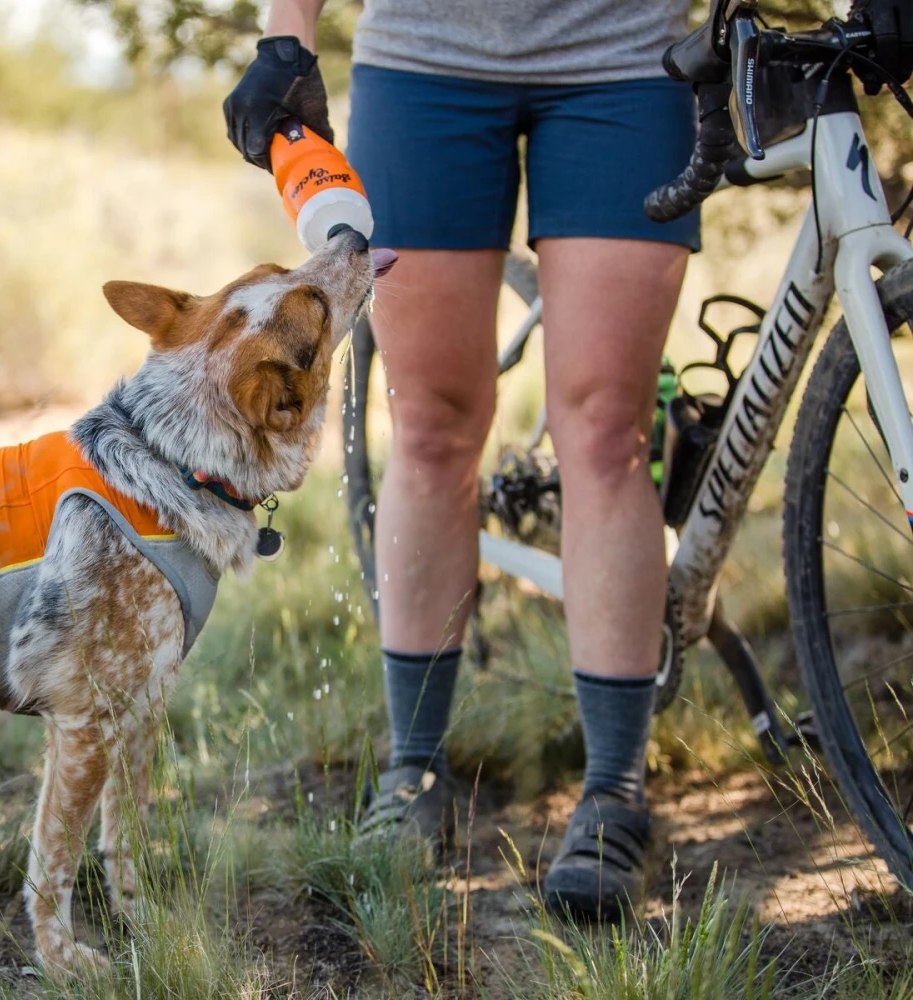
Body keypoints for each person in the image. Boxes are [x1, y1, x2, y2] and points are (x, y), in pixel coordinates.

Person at [224, 0, 696, 918]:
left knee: (605, 427)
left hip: (629, 58)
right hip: (425, 61)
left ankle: (613, 790)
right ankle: (414, 768)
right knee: (433, 426)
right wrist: (286, 35)